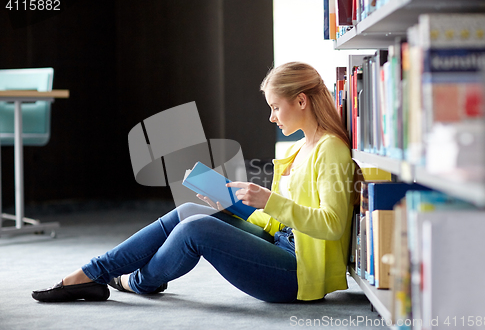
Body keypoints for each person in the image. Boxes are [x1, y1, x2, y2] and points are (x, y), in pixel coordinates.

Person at [32, 62, 363, 303]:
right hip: (281, 243)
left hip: (298, 271)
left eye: (276, 107)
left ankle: (135, 282)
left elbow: (332, 225)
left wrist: (268, 200)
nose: (272, 117)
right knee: (189, 212)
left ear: (301, 101)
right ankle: (92, 272)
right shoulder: (299, 148)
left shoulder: (330, 148)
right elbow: (277, 222)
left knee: (196, 231)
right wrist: (233, 203)